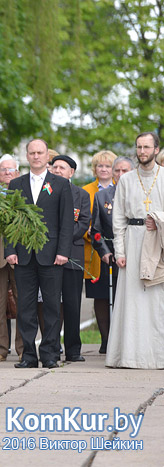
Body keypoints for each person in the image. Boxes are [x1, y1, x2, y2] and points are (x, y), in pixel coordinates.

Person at [6, 139, 73, 369]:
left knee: (53, 307)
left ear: (47, 157)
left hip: (52, 255)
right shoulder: (16, 184)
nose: (36, 156)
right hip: (24, 255)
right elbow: (9, 220)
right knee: (25, 307)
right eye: (32, 153)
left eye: (40, 152)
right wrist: (10, 250)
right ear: (27, 156)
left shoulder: (61, 184)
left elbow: (66, 222)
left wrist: (63, 251)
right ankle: (28, 356)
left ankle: (50, 354)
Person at [107, 132, 164, 369]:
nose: (142, 151)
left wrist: (158, 219)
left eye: (147, 147)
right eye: (139, 147)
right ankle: (129, 356)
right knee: (132, 302)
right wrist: (119, 252)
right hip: (132, 242)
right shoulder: (127, 180)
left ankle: (157, 356)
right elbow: (118, 218)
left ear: (156, 149)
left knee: (156, 302)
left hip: (157, 244)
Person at [90, 156, 133, 354]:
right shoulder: (103, 196)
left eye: (125, 171)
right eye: (117, 171)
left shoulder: (138, 194)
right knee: (104, 297)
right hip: (109, 255)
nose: (120, 174)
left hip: (133, 252)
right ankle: (107, 339)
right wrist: (104, 251)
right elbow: (95, 230)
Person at [50, 155, 91, 362]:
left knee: (73, 305)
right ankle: (52, 347)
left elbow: (83, 223)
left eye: (62, 167)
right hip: (48, 257)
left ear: (71, 172)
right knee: (52, 305)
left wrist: (61, 243)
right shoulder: (45, 192)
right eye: (54, 167)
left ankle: (73, 350)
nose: (57, 170)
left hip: (72, 256)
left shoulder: (81, 195)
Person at [0, 154, 23, 362]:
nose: (7, 173)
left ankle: (22, 348)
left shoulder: (25, 193)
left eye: (11, 170)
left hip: (20, 256)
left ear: (17, 173)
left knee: (23, 304)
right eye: (3, 170)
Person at [82, 150, 117, 306]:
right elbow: (78, 218)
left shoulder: (121, 188)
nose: (103, 169)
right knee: (100, 297)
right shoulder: (85, 191)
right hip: (94, 250)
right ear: (94, 169)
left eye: (108, 166)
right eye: (99, 166)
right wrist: (87, 231)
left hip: (117, 249)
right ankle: (103, 332)